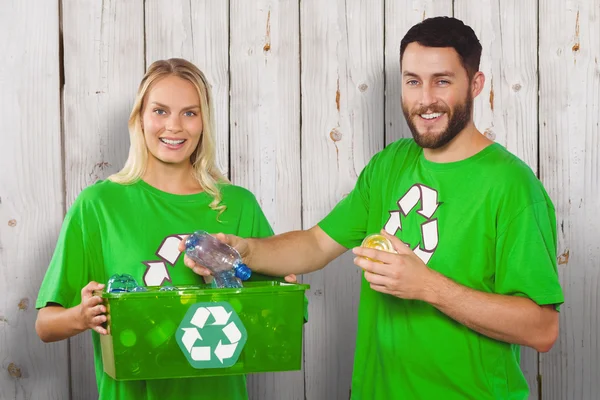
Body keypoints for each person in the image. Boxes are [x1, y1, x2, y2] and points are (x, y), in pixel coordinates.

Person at [181, 17, 564, 400]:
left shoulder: (512, 187)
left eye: (442, 81)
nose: (425, 98)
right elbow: (315, 244)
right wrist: (248, 250)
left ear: (475, 84)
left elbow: (542, 329)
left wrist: (427, 286)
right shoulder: (390, 164)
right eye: (412, 80)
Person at [35, 58, 291, 400]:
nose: (174, 126)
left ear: (204, 122)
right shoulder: (99, 206)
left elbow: (281, 313)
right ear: (139, 118)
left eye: (190, 112)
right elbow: (46, 325)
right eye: (160, 111)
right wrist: (82, 316)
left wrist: (234, 282)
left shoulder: (238, 206)